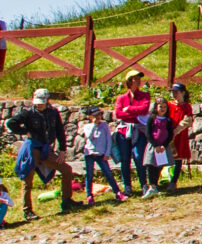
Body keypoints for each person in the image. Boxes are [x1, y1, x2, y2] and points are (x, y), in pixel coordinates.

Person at [8, 88, 76, 218]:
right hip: (32, 149)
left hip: (46, 149)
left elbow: (59, 131)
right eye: (37, 102)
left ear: (47, 101)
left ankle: (67, 201)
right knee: (28, 180)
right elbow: (11, 123)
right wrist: (25, 132)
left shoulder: (53, 113)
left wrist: (62, 150)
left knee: (66, 169)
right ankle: (27, 210)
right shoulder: (28, 113)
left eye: (41, 102)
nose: (39, 105)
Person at [80, 106, 128, 204]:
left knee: (108, 173)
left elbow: (108, 140)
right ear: (90, 117)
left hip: (101, 154)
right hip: (90, 153)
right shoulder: (87, 126)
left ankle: (117, 192)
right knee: (89, 174)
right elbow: (89, 136)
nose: (97, 117)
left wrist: (107, 153)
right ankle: (89, 195)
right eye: (95, 115)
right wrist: (94, 125)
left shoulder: (105, 125)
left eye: (99, 115)